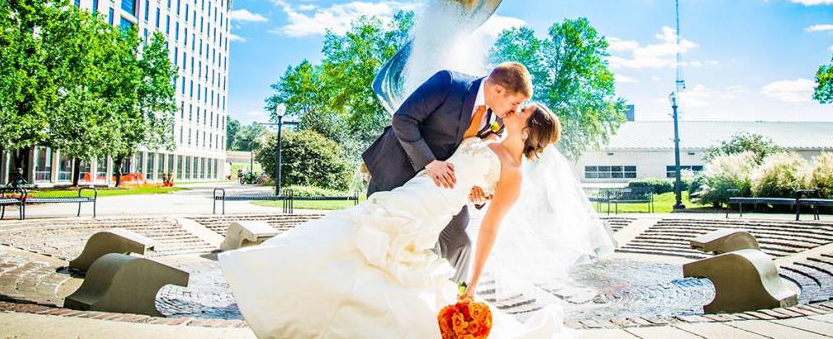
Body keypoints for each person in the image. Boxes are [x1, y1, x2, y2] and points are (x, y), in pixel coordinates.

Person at [219, 103, 576, 338]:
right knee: (344, 239)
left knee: (386, 264)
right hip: (413, 195)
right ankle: (283, 287)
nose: (514, 107)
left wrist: (473, 283)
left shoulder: (514, 174)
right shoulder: (489, 134)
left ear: (528, 130)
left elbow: (490, 228)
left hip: (428, 215)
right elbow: (464, 160)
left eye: (523, 110)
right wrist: (473, 183)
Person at [362, 62, 532, 283]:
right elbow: (403, 120)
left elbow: (477, 158)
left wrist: (478, 193)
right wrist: (430, 163)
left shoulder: (499, 118)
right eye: (515, 102)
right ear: (498, 90)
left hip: (445, 188)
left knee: (460, 243)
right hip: (399, 169)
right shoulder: (449, 83)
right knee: (379, 233)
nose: (515, 110)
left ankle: (453, 300)